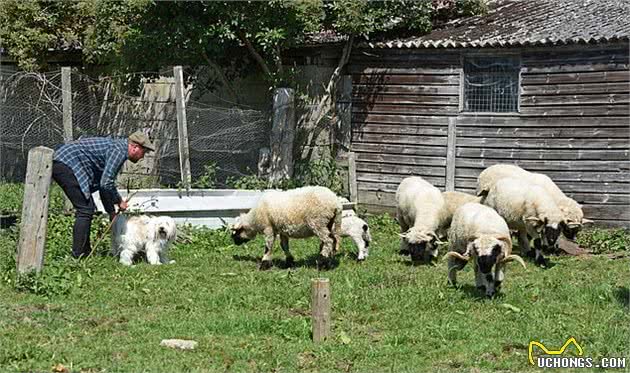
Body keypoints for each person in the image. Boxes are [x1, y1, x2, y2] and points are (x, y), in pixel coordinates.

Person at [52, 131, 155, 258]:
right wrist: (119, 201)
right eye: (143, 153)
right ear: (135, 147)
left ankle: (84, 253)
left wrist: (111, 212)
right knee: (85, 210)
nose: (142, 157)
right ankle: (78, 256)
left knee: (87, 209)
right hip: (67, 162)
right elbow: (106, 183)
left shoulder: (118, 148)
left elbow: (103, 187)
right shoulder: (119, 150)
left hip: (65, 162)